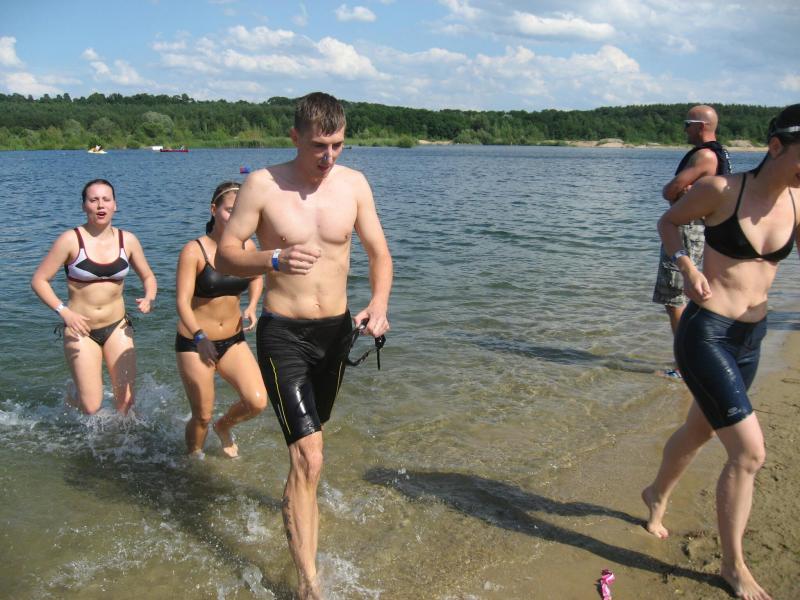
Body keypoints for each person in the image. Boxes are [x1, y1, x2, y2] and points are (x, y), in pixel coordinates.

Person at [216, 92, 392, 599]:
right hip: (283, 333)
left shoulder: (354, 185)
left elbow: (379, 253)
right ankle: (308, 584)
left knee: (312, 448)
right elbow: (225, 256)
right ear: (295, 137)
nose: (328, 156)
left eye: (337, 144)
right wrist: (272, 259)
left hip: (335, 332)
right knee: (309, 455)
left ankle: (297, 504)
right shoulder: (263, 184)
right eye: (318, 145)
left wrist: (378, 304)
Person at [642, 104, 800, 600]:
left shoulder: (798, 200)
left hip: (752, 338)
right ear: (776, 146)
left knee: (699, 428)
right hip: (706, 333)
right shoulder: (722, 190)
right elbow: (669, 222)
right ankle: (735, 567)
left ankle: (655, 494)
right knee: (749, 453)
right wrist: (687, 267)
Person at [31, 179, 157, 415]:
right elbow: (39, 280)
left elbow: (148, 276)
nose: (100, 205)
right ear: (84, 206)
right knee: (91, 407)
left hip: (117, 326)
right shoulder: (70, 240)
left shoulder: (128, 240)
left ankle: (119, 438)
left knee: (126, 404)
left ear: (115, 205)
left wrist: (149, 297)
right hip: (80, 329)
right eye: (93, 200)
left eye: (106, 199)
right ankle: (74, 392)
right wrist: (64, 312)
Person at [175, 181, 267, 458]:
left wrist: (252, 306)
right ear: (214, 210)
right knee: (202, 415)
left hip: (233, 340)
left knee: (257, 401)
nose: (235, 217)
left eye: (241, 211)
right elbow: (182, 303)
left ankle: (224, 425)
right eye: (229, 210)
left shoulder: (247, 247)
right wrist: (200, 337)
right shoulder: (194, 251)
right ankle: (192, 461)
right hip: (195, 343)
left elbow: (256, 277)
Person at [652, 105, 731, 378]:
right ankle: (704, 354)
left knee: (674, 299)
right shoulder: (718, 154)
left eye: (687, 124)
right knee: (692, 295)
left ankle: (684, 365)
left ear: (700, 126)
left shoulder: (705, 156)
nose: (684, 129)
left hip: (687, 229)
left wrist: (680, 192)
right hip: (701, 229)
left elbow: (669, 191)